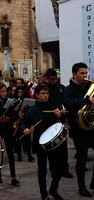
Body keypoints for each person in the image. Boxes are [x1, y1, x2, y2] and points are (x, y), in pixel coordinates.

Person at [19, 83, 65, 200]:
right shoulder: (32, 110)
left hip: (54, 143)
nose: (45, 96)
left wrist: (59, 115)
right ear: (37, 95)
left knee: (60, 168)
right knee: (42, 170)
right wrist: (24, 129)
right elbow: (23, 122)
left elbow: (61, 122)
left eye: (47, 93)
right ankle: (44, 194)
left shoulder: (53, 106)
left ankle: (53, 189)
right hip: (40, 144)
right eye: (43, 93)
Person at [62, 62, 94, 197]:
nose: (85, 76)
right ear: (74, 74)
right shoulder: (68, 90)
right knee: (82, 159)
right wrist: (87, 100)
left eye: (86, 73)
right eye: (82, 73)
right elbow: (69, 104)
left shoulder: (89, 86)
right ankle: (82, 187)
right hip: (79, 129)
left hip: (91, 127)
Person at [0, 83, 20, 186]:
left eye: (5, 91)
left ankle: (13, 176)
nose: (4, 93)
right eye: (2, 92)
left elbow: (15, 114)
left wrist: (10, 118)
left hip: (8, 129)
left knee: (10, 153)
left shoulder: (10, 101)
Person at [44, 68, 73, 179]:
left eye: (55, 79)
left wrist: (63, 113)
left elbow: (65, 101)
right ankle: (54, 170)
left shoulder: (61, 88)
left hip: (61, 119)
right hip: (50, 120)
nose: (54, 81)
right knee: (52, 148)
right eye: (52, 79)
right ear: (47, 78)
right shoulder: (44, 89)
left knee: (63, 147)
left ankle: (64, 169)